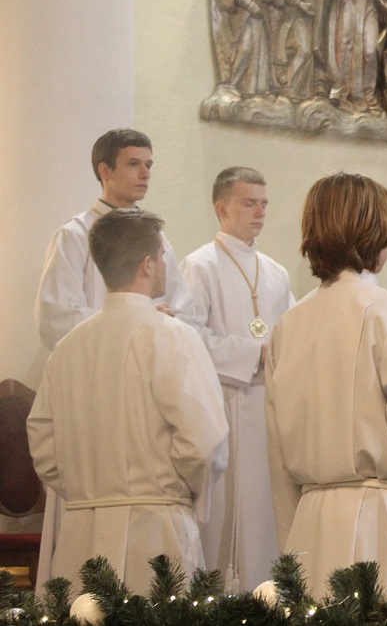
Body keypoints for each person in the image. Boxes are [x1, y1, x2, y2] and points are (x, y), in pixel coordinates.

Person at [265, 172, 387, 588]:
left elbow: (278, 453)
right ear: (377, 235)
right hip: (381, 512)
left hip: (310, 516)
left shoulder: (287, 326)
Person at [27, 209, 228, 591]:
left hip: (81, 533)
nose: (166, 265)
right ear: (148, 264)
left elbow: (43, 443)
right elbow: (205, 440)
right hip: (157, 533)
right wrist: (176, 495)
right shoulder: (173, 337)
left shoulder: (67, 348)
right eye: (163, 257)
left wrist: (88, 493)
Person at [180, 167, 294, 591]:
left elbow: (292, 333)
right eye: (249, 203)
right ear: (222, 208)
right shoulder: (199, 266)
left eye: (264, 203)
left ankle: (266, 594)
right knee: (224, 515)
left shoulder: (276, 272)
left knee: (265, 511)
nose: (260, 212)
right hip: (222, 403)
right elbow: (187, 337)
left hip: (267, 407)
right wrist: (251, 353)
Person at [35, 128, 199, 351]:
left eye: (148, 165)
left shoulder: (156, 237)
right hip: (98, 360)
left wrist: (157, 322)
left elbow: (183, 311)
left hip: (150, 358)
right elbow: (55, 318)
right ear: (105, 170)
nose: (145, 174)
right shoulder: (75, 234)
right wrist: (137, 319)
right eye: (133, 164)